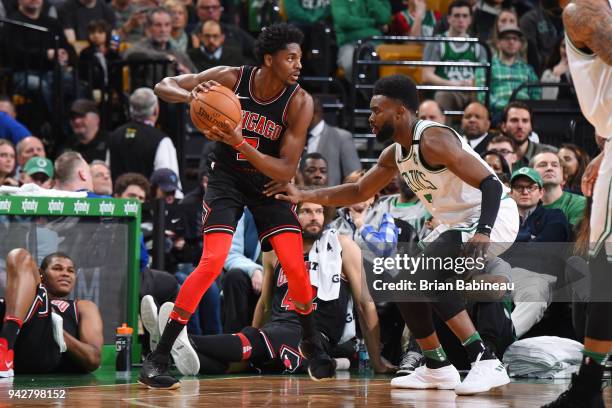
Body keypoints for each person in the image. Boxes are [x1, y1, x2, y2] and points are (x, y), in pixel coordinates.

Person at [266, 74, 519, 395]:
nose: (370, 118)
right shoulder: (395, 153)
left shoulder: (433, 140)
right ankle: (437, 365)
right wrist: (303, 194)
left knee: (427, 270)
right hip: (457, 224)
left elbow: (492, 184)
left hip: (493, 215)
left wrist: (484, 233)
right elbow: (358, 190)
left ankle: (485, 359)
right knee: (402, 276)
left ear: (400, 112)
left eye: (376, 110)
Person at [139, 23, 331, 389]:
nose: (298, 65)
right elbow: (164, 86)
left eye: (300, 58)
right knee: (212, 262)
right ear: (268, 59)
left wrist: (241, 142)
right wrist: (193, 97)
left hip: (268, 183)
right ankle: (159, 356)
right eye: (291, 58)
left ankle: (311, 340)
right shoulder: (231, 78)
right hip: (226, 178)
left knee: (294, 266)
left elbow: (287, 169)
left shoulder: (300, 102)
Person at [140, 199, 395, 376]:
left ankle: (170, 339)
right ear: (293, 215)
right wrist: (252, 332)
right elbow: (264, 302)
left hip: (314, 338)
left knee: (259, 341)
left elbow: (365, 303)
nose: (314, 217)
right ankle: (173, 351)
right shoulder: (275, 250)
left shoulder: (342, 245)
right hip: (278, 328)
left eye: (319, 211)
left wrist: (376, 359)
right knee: (241, 363)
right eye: (306, 211)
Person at [543, 1, 611, 405]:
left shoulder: (585, 10)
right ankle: (587, 385)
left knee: (606, 270)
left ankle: (586, 389)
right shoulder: (586, 11)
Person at [0, 249, 103, 376]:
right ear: (41, 275)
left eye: (70, 271)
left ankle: (4, 348)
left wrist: (59, 332)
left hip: (44, 354)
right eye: (58, 268)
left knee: (19, 255)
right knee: (18, 256)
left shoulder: (83, 306)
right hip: (17, 344)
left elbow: (93, 359)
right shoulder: (15, 300)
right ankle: (4, 348)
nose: (66, 274)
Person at [421, 0, 488, 112]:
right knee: (443, 95)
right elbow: (426, 75)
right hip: (447, 90)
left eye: (465, 16)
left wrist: (472, 83)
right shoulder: (437, 42)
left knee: (483, 97)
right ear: (449, 19)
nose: (461, 20)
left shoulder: (479, 45)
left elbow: (484, 75)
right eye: (457, 16)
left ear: (470, 20)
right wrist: (454, 84)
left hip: (471, 91)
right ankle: (442, 129)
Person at [108, 88, 180, 185]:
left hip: (118, 199)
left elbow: (107, 172)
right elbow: (168, 182)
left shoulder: (114, 136)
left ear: (130, 110)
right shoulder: (161, 140)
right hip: (147, 199)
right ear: (155, 110)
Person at [475, 25, 541, 117]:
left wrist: (526, 109)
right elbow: (482, 95)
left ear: (520, 44)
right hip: (498, 112)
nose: (511, 42)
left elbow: (536, 94)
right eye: (507, 38)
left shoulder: (527, 69)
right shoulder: (486, 66)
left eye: (515, 39)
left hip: (525, 112)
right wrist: (508, 107)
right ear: (498, 43)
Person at [305, 97, 361, 187]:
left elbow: (355, 177)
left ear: (314, 113)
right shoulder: (295, 137)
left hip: (329, 199)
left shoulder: (342, 137)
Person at [531, 151, 586, 228]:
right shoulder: (524, 205)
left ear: (563, 177)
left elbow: (573, 238)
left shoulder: (580, 203)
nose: (549, 168)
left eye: (555, 165)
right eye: (542, 165)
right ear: (530, 175)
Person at [500, 101, 555, 170]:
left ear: (531, 126)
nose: (520, 126)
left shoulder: (550, 153)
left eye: (525, 121)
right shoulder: (494, 154)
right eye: (514, 120)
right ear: (503, 126)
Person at [67, 99, 109, 163]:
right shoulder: (66, 146)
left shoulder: (111, 143)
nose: (77, 121)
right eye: (73, 117)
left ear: (96, 118)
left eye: (81, 116)